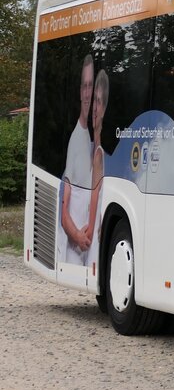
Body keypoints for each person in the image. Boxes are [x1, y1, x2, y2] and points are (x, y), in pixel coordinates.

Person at [59, 55, 94, 265]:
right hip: (75, 251)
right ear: (80, 92)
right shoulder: (76, 139)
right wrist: (78, 236)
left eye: (91, 86)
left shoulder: (89, 135)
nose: (88, 93)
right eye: (85, 86)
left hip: (85, 249)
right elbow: (64, 210)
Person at [85, 69, 109, 269]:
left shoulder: (100, 154)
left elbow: (94, 203)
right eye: (94, 100)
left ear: (104, 108)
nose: (95, 107)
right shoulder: (88, 148)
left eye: (99, 101)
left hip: (90, 239)